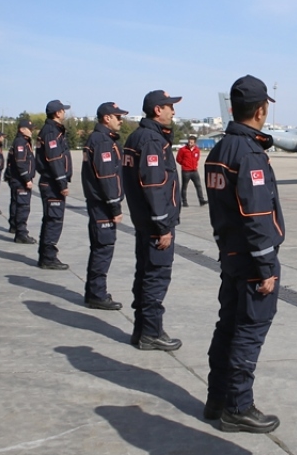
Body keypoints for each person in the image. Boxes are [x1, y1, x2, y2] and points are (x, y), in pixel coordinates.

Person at [203, 75, 285, 434]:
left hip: (231, 254)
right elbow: (256, 215)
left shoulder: (220, 150)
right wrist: (266, 265)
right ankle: (238, 406)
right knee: (248, 332)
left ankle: (217, 398)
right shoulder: (249, 154)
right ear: (261, 110)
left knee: (228, 327)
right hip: (252, 259)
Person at [122, 90, 184, 351]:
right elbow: (154, 184)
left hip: (143, 221)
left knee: (145, 275)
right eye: (170, 106)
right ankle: (151, 332)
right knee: (155, 278)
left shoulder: (138, 136)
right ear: (157, 109)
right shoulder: (151, 141)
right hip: (154, 224)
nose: (173, 111)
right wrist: (163, 226)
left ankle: (142, 329)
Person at [81, 102, 130, 310]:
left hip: (98, 203)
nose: (121, 120)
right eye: (117, 117)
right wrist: (115, 207)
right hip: (102, 205)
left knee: (100, 248)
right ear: (106, 118)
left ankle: (94, 291)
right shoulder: (102, 142)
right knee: (103, 248)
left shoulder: (100, 139)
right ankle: (97, 294)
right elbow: (107, 176)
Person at [35, 100, 73, 269]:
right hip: (52, 183)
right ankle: (48, 258)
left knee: (51, 219)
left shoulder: (52, 131)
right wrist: (62, 183)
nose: (64, 113)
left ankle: (46, 255)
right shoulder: (51, 132)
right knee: (54, 220)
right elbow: (54, 159)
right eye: (63, 111)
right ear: (57, 113)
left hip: (50, 182)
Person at [5, 117, 37, 244]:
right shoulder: (21, 143)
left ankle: (15, 227)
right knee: (23, 207)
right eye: (29, 129)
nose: (31, 131)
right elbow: (20, 162)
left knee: (16, 204)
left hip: (17, 180)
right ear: (22, 129)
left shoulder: (23, 141)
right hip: (20, 181)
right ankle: (21, 233)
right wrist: (27, 179)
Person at [177, 134, 207, 207]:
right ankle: (184, 201)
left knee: (198, 185)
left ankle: (201, 200)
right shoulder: (183, 150)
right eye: (189, 142)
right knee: (184, 186)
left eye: (191, 142)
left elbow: (197, 158)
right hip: (186, 171)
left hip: (194, 171)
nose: (190, 143)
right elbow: (178, 159)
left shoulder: (197, 150)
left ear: (194, 143)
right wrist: (184, 164)